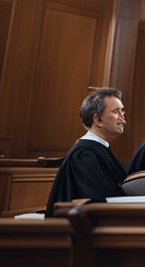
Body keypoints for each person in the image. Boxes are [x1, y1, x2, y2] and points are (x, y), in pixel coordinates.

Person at [44, 88, 129, 216]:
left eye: (122, 111)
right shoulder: (84, 155)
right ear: (98, 120)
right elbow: (98, 202)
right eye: (116, 112)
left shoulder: (100, 149)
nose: (123, 118)